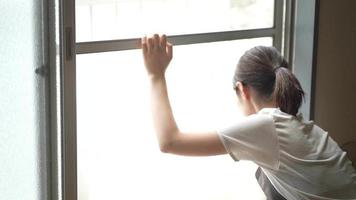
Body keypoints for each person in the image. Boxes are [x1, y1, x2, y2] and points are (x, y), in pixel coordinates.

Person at [140, 34, 356, 200]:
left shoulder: (266, 126)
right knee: (263, 173)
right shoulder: (293, 122)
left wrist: (155, 75)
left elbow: (169, 142)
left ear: (242, 89)